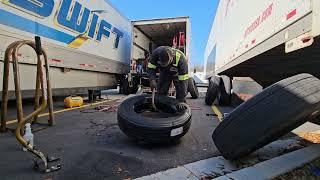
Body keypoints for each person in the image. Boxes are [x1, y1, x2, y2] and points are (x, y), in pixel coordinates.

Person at [147, 46, 189, 111]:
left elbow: (183, 82)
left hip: (177, 74)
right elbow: (151, 68)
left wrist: (181, 100)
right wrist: (152, 80)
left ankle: (180, 108)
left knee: (180, 91)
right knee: (161, 91)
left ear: (172, 58)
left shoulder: (181, 60)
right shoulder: (156, 54)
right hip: (164, 72)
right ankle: (161, 108)